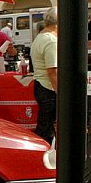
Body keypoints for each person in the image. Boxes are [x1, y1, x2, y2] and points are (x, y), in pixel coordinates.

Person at [31, 8, 57, 144]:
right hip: (49, 88)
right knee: (46, 129)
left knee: (45, 125)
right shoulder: (51, 41)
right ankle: (42, 156)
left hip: (41, 84)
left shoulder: (40, 37)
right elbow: (53, 71)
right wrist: (61, 92)